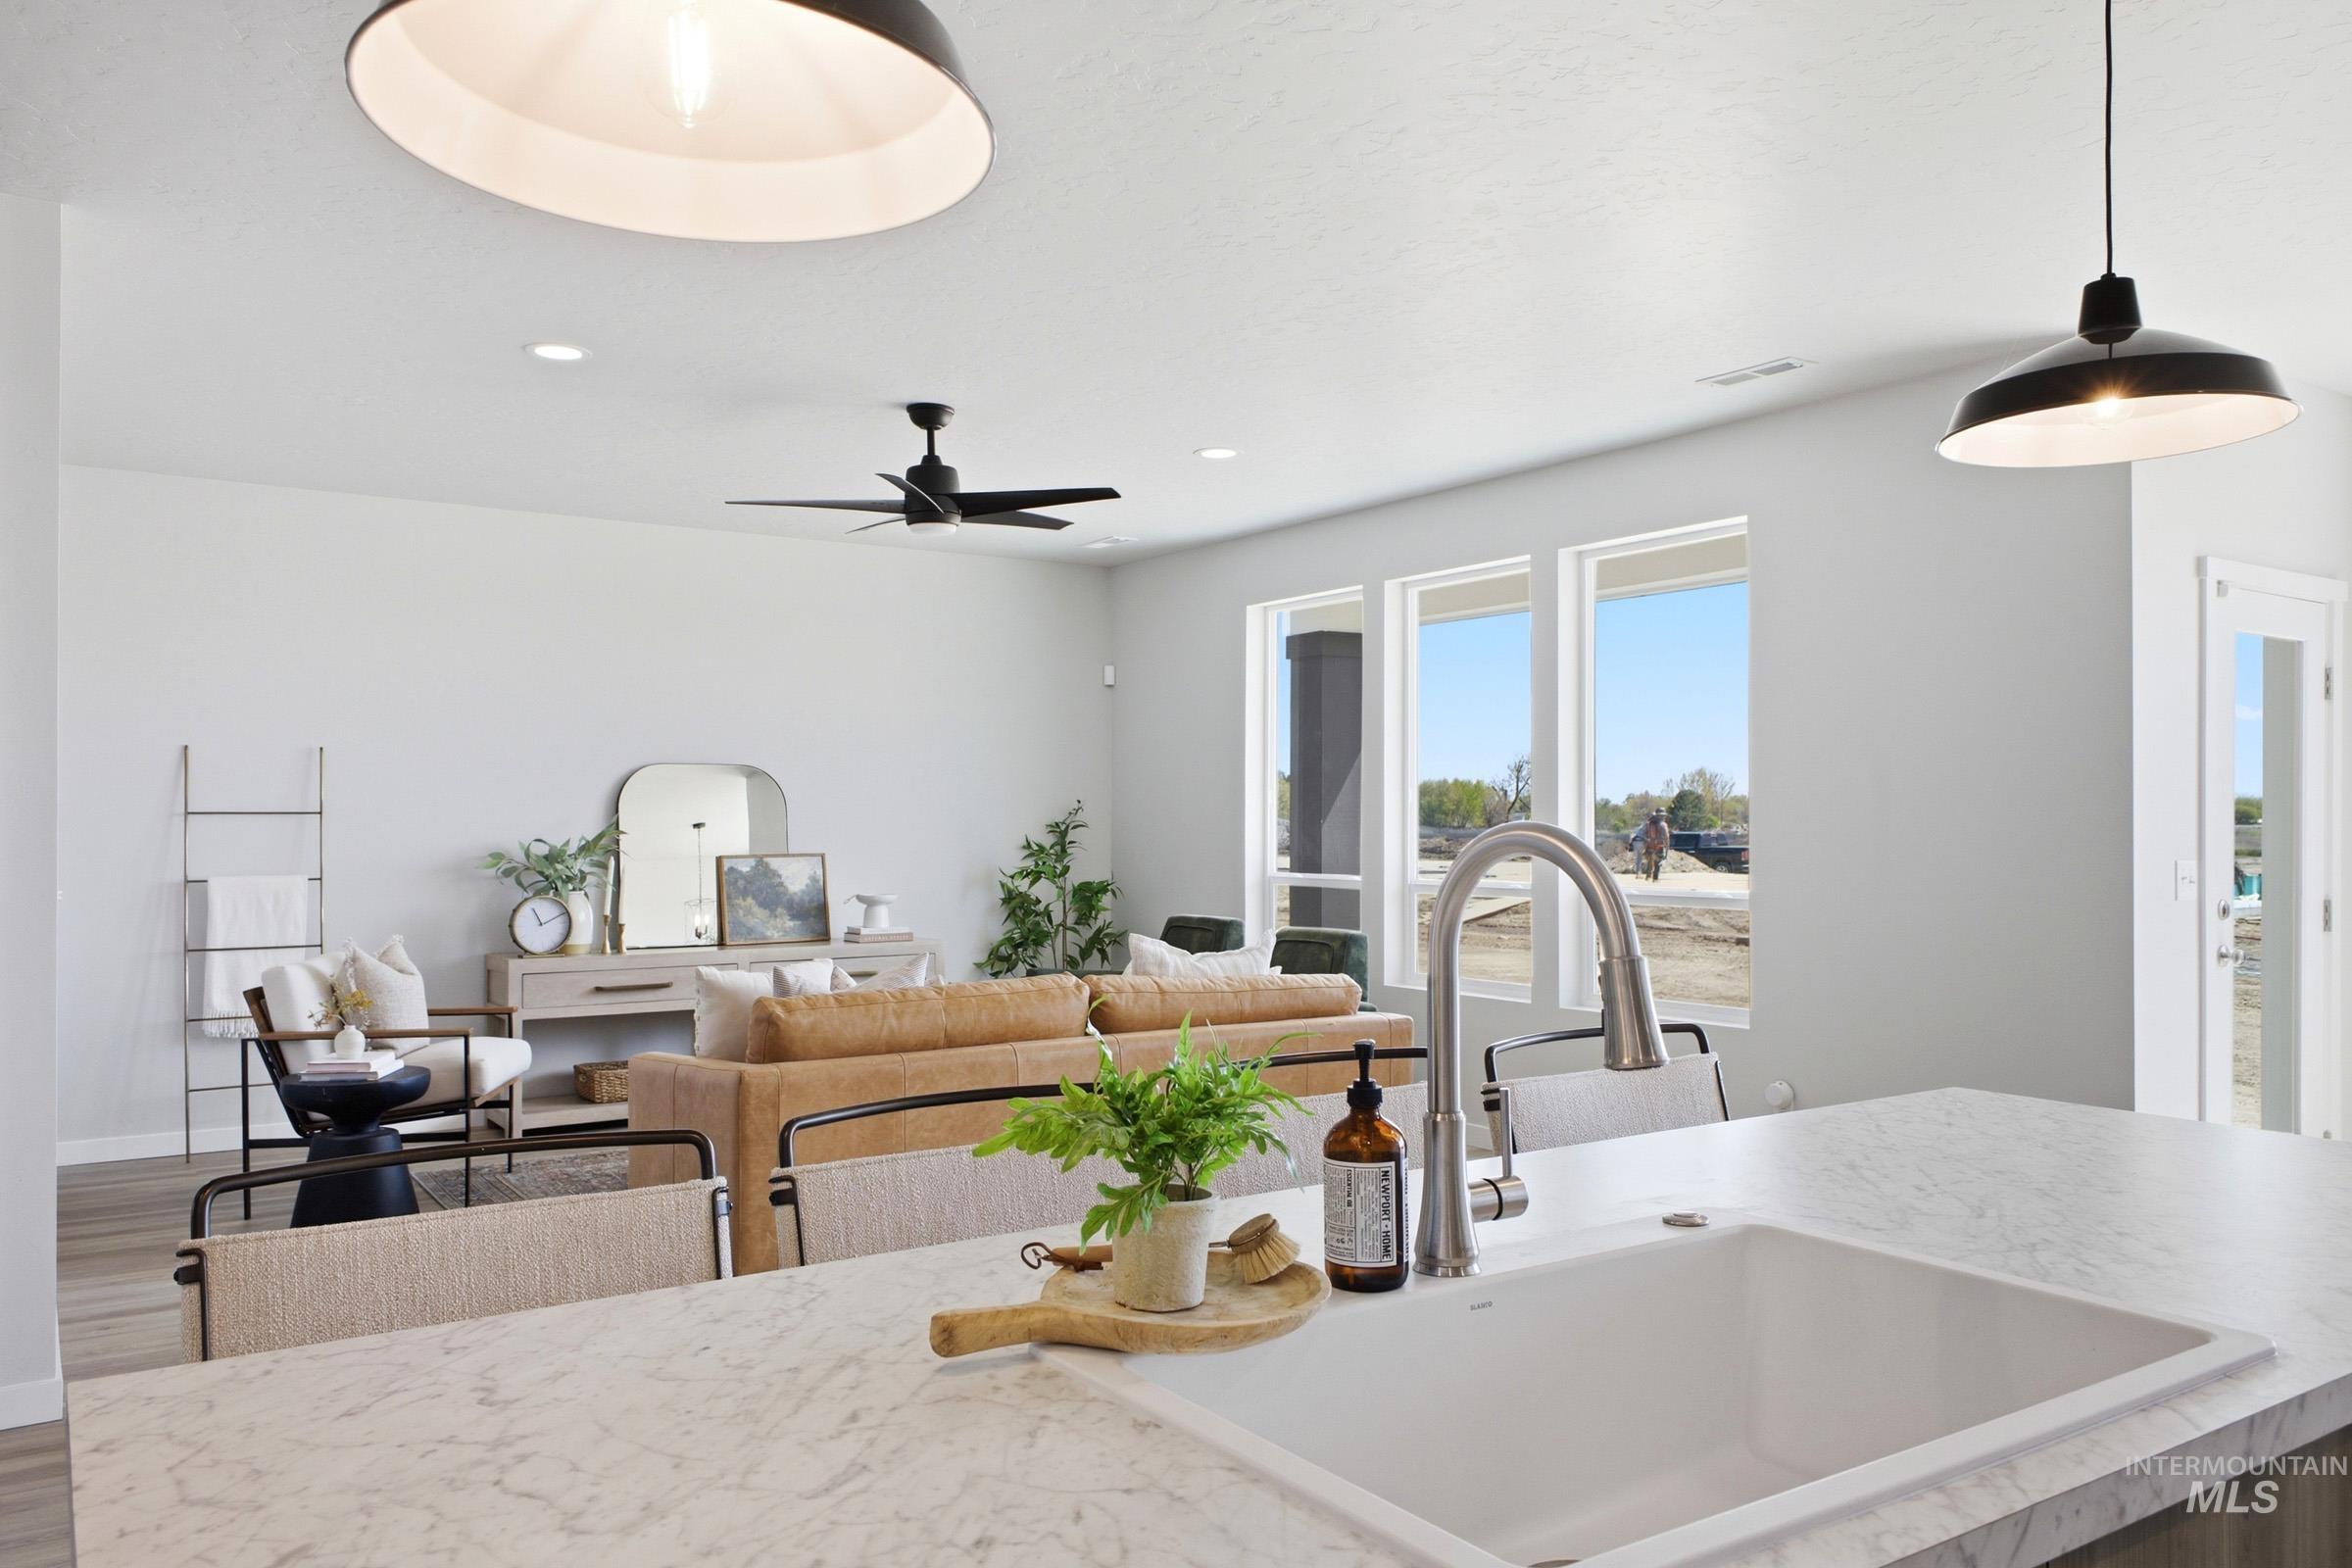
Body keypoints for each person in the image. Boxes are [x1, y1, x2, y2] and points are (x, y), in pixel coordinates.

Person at [1638, 808, 1671, 882]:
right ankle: (1655, 878)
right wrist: (1667, 846)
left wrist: (1647, 841)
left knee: (1650, 861)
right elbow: (1666, 837)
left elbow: (1641, 834)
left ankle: (1648, 877)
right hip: (1659, 846)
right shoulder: (1663, 825)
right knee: (1657, 863)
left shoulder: (1648, 824)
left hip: (1650, 846)